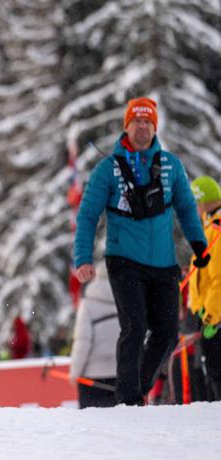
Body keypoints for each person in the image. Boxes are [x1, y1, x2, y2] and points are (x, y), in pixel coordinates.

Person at [74, 97, 208, 405]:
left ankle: (141, 389)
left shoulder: (172, 166)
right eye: (137, 122)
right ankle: (128, 399)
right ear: (127, 126)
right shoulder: (108, 169)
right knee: (134, 327)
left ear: (155, 127)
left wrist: (198, 244)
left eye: (148, 122)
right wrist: (82, 259)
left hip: (163, 263)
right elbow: (88, 215)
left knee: (166, 333)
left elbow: (187, 208)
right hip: (124, 261)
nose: (143, 127)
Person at [187, 176, 221, 400]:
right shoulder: (210, 229)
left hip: (215, 320)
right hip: (207, 316)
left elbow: (218, 278)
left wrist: (212, 316)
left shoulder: (216, 231)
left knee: (217, 377)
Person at [69, 261, 119, 408]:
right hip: (121, 373)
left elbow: (82, 342)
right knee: (121, 426)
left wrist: (75, 372)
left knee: (92, 427)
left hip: (92, 377)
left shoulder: (88, 304)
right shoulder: (126, 301)